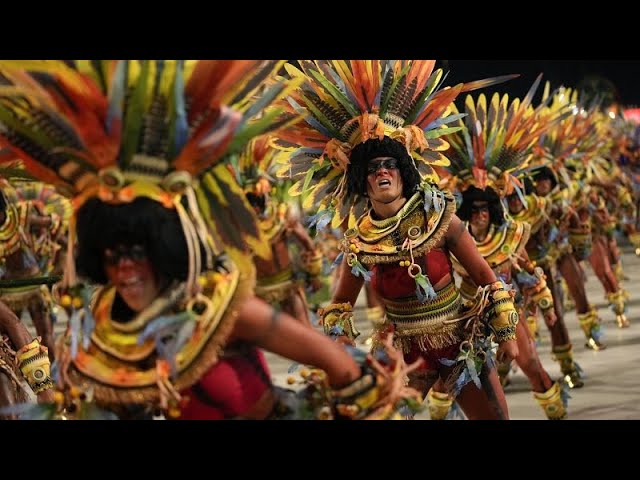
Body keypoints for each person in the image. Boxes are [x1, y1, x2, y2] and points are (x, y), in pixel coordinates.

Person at [0, 60, 418, 420]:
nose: (123, 267)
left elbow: (344, 372)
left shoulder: (220, 307)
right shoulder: (111, 333)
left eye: (137, 251)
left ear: (164, 246)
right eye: (111, 255)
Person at [277, 60, 519, 419]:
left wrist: (509, 338)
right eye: (372, 168)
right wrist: (340, 350)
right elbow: (340, 306)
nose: (383, 172)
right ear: (363, 179)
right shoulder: (361, 241)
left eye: (390, 164)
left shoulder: (440, 219)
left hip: (460, 343)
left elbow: (486, 277)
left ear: (404, 173)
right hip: (404, 354)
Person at [426, 84, 568, 420]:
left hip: (506, 311)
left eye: (484, 210)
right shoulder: (452, 239)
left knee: (532, 364)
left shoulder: (511, 237)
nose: (479, 216)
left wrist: (546, 306)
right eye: (473, 211)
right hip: (464, 318)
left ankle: (557, 413)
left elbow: (528, 272)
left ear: (493, 211)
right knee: (442, 383)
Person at [231, 136, 322, 328]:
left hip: (287, 283)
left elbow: (306, 243)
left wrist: (314, 275)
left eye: (257, 199)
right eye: (249, 200)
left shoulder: (281, 216)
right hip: (257, 289)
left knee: (303, 329)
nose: (254, 205)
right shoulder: (238, 228)